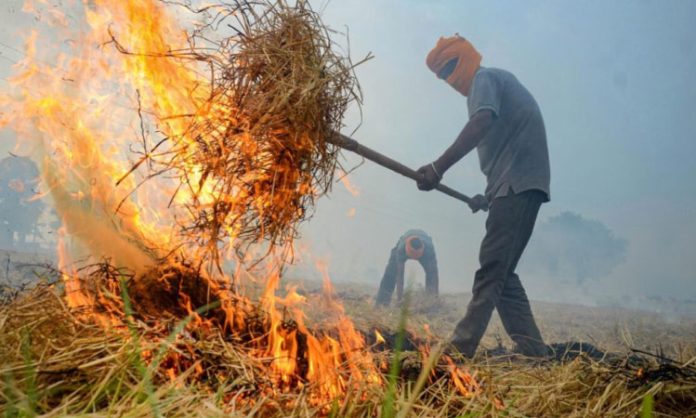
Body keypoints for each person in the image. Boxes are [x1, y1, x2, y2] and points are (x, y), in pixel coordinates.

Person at [416, 35, 551, 358]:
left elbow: (482, 122)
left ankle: (459, 350)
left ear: (466, 58)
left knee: (491, 269)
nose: (449, 78)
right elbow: (507, 147)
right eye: (442, 75)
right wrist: (487, 197)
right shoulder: (493, 81)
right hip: (512, 187)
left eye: (450, 67)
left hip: (517, 186)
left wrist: (438, 167)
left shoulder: (484, 79)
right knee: (502, 274)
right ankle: (535, 351)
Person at [375, 229, 438, 306]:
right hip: (404, 242)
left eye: (416, 256)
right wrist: (400, 299)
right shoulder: (401, 249)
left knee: (432, 278)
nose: (414, 258)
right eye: (412, 255)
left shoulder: (428, 251)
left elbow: (434, 276)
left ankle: (431, 305)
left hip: (425, 247)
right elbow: (399, 275)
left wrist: (433, 298)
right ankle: (381, 303)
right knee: (390, 273)